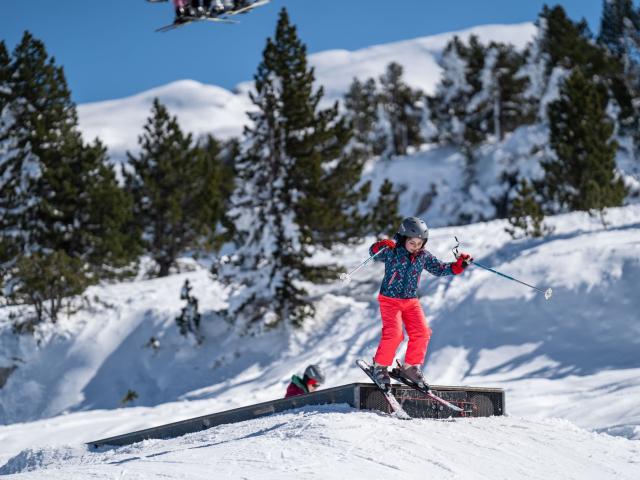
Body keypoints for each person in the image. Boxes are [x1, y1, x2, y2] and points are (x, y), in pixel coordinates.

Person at [368, 217, 472, 389]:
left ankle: (409, 367)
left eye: (420, 243)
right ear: (403, 239)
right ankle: (379, 366)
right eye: (412, 242)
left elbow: (439, 268)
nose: (416, 247)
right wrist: (379, 246)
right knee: (395, 334)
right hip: (390, 300)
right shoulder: (392, 251)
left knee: (422, 332)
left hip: (410, 301)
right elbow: (374, 253)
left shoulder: (423, 256)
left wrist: (458, 266)